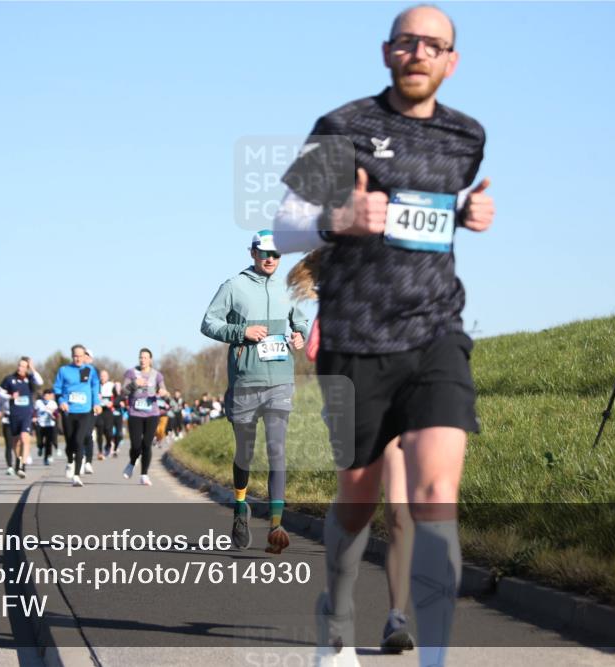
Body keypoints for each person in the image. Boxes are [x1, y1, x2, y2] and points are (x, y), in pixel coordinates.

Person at [273, 5, 495, 665]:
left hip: (435, 331)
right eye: (407, 42)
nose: (419, 53)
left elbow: (427, 210)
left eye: (435, 45)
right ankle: (336, 619)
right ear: (386, 53)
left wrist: (467, 211)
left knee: (434, 492)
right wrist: (339, 216)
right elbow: (283, 226)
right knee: (359, 493)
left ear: (451, 62)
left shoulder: (467, 137)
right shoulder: (344, 127)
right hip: (355, 334)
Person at [290, 255, 416, 654]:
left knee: (399, 510)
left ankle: (397, 617)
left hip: (397, 407)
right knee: (358, 507)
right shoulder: (336, 305)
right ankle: (336, 604)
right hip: (350, 409)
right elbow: (317, 352)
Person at [201, 229, 309, 554]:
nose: (271, 260)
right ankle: (239, 505)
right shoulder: (233, 286)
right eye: (265, 254)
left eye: (276, 255)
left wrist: (300, 335)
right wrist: (242, 331)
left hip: (280, 381)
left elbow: (301, 321)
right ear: (252, 253)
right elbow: (208, 323)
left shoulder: (287, 288)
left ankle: (276, 526)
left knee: (277, 451)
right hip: (245, 383)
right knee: (244, 452)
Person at [53, 345, 100, 487]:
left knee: (79, 441)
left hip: (85, 411)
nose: (78, 358)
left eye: (80, 355)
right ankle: (69, 462)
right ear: (72, 356)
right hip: (68, 411)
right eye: (75, 356)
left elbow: (94, 387)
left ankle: (77, 475)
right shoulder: (64, 370)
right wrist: (61, 401)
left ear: (84, 356)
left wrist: (96, 403)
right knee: (70, 442)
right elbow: (57, 389)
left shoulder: (90, 370)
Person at [121, 348, 168, 486]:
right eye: (141, 357)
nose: (143, 360)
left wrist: (163, 392)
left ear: (150, 360)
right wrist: (135, 384)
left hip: (152, 414)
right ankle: (131, 463)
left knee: (147, 444)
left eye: (146, 357)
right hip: (135, 413)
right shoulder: (131, 373)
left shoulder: (156, 375)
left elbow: (163, 389)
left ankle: (144, 474)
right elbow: (123, 391)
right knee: (136, 445)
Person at [0, 357, 43, 479]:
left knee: (25, 438)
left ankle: (22, 466)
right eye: (19, 365)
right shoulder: (9, 379)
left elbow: (40, 381)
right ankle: (18, 460)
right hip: (14, 414)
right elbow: (0, 393)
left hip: (26, 414)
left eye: (24, 366)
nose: (20, 368)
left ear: (27, 368)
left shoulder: (30, 379)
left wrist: (33, 368)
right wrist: (10, 396)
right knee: (15, 442)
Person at [96, 369, 120, 460]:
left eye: (104, 376)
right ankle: (100, 451)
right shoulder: (96, 385)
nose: (102, 377)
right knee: (99, 430)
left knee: (108, 431)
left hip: (108, 410)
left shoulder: (111, 385)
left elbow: (117, 397)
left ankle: (109, 444)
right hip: (99, 410)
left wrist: (112, 403)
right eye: (101, 376)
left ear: (108, 377)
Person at [35, 388, 59, 465]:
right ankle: (40, 447)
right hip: (40, 424)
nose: (46, 397)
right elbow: (33, 411)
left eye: (48, 395)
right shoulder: (38, 402)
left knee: (48, 442)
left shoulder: (53, 403)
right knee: (40, 441)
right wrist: (34, 417)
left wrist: (54, 415)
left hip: (50, 425)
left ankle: (46, 458)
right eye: (45, 395)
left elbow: (56, 413)